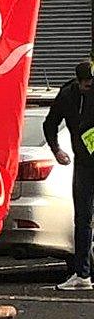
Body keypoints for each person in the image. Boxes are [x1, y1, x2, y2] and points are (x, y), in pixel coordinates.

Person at [45, 60, 94, 291]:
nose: (89, 87)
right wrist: (56, 150)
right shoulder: (67, 96)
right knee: (82, 218)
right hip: (84, 164)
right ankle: (81, 274)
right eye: (85, 84)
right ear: (78, 81)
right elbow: (49, 124)